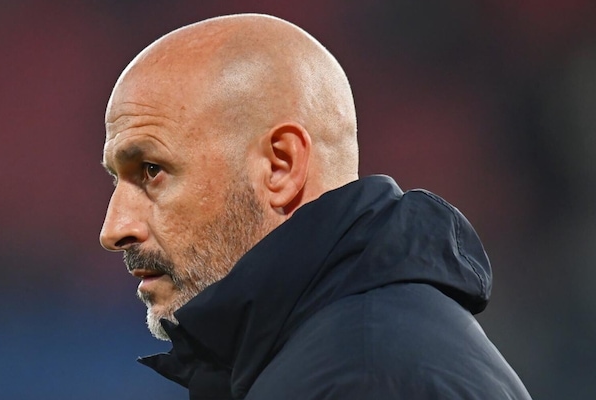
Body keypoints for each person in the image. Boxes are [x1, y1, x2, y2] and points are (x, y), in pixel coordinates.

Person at [99, 13, 531, 400]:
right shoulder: (349, 354)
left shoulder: (363, 379)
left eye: (152, 170)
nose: (114, 229)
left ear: (281, 166)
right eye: (117, 179)